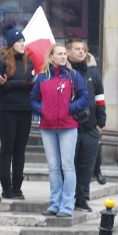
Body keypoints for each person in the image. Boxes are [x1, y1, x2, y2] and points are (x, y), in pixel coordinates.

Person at [31, 43, 90, 218]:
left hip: (68, 127)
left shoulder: (73, 76)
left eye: (65, 53)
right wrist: (42, 110)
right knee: (53, 167)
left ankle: (66, 206)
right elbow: (33, 99)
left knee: (67, 166)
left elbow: (85, 96)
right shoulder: (42, 78)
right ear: (51, 57)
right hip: (48, 127)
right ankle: (54, 204)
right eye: (60, 54)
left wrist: (70, 109)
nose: (64, 56)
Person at [66, 38, 106, 212]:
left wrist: (101, 122)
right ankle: (68, 196)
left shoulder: (92, 72)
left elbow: (100, 97)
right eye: (77, 49)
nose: (81, 52)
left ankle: (82, 198)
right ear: (68, 52)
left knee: (86, 165)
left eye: (83, 49)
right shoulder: (64, 72)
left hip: (90, 127)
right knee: (70, 164)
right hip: (70, 126)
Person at [0, 28, 34, 200]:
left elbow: (30, 83)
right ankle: (6, 188)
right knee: (7, 149)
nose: (22, 44)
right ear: (11, 44)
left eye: (23, 41)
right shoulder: (2, 60)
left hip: (25, 110)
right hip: (6, 111)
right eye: (19, 41)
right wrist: (20, 84)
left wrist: (10, 84)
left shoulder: (29, 62)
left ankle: (17, 188)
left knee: (20, 150)